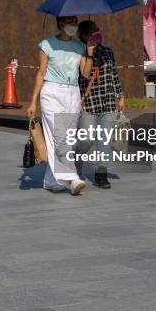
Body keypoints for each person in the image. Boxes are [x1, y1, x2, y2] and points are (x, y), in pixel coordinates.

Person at [27, 15, 95, 195]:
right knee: (59, 136)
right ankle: (71, 178)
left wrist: (89, 52)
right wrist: (33, 101)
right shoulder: (47, 44)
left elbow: (85, 73)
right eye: (71, 21)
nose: (74, 24)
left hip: (72, 93)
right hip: (51, 92)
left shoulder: (79, 46)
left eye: (76, 21)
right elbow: (41, 73)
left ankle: (50, 181)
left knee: (67, 138)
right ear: (61, 24)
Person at [77, 20, 125, 189]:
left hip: (107, 103)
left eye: (97, 30)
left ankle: (101, 174)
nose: (96, 34)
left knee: (103, 141)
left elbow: (115, 75)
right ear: (83, 36)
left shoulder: (107, 52)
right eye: (91, 32)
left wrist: (120, 96)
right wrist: (89, 53)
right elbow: (84, 75)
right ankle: (76, 162)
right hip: (89, 104)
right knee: (87, 138)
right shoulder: (80, 54)